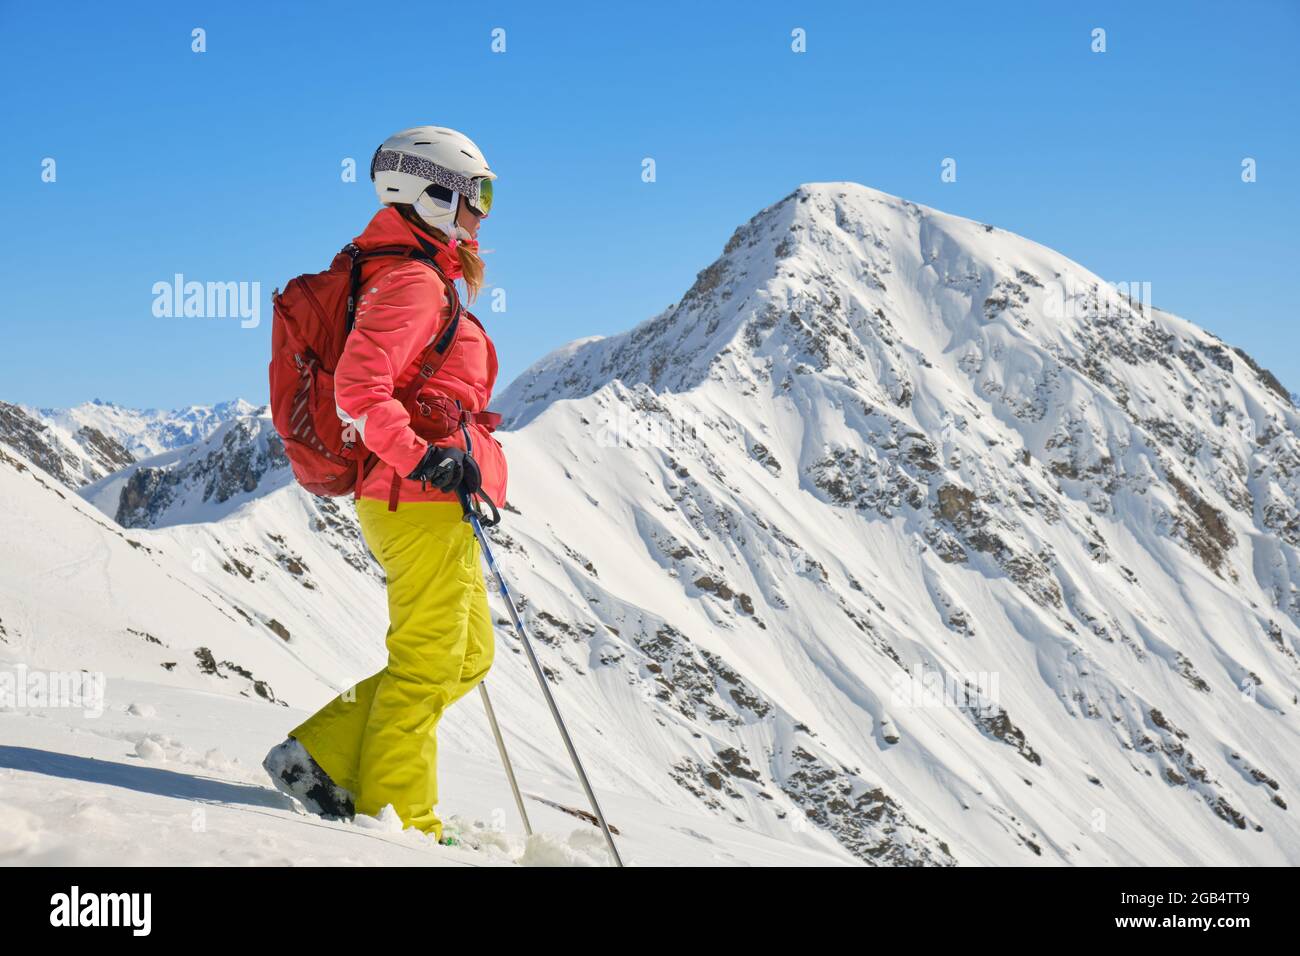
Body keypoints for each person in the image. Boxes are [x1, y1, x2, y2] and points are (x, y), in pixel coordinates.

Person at [263, 126, 507, 844]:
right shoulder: (409, 280)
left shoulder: (416, 271)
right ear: (433, 195)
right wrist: (423, 458)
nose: (484, 213)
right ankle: (405, 825)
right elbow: (359, 390)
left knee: (467, 657)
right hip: (415, 500)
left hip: (430, 500)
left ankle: (321, 755)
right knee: (426, 666)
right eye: (478, 196)